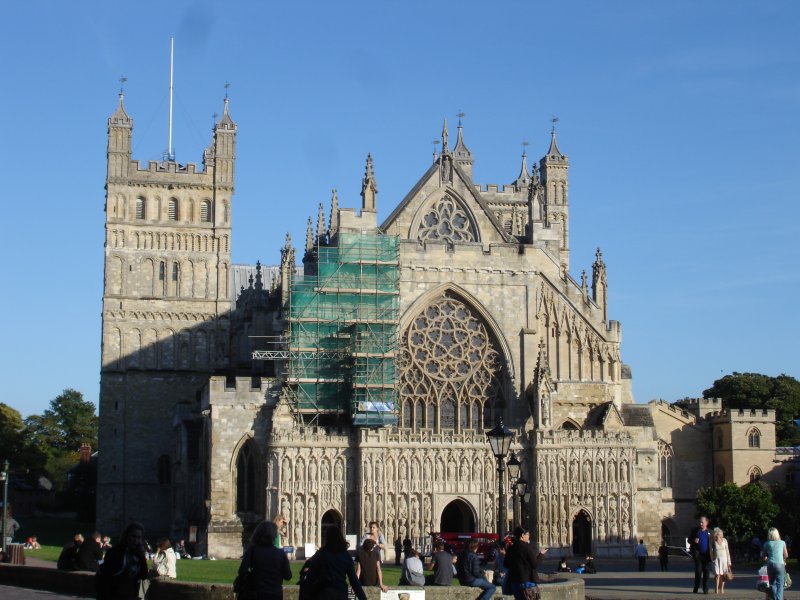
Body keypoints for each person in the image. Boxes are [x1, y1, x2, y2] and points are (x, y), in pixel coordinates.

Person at [236, 521, 291, 600]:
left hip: (256, 594)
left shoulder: (252, 550)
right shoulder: (280, 553)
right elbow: (288, 576)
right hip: (275, 594)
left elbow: (242, 571)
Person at [311, 526, 367, 600]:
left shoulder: (321, 553)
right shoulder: (346, 555)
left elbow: (311, 575)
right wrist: (363, 597)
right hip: (340, 592)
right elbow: (354, 580)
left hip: (325, 592)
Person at [95, 523, 149, 600]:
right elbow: (107, 574)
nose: (136, 540)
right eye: (133, 536)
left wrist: (141, 555)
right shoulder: (115, 552)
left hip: (129, 594)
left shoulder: (138, 555)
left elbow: (143, 575)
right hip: (112, 594)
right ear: (127, 536)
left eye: (139, 537)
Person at [504, 527, 548, 600]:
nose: (529, 536)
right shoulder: (527, 548)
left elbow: (506, 564)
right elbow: (535, 564)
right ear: (522, 535)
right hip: (527, 583)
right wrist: (541, 554)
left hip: (515, 583)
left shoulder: (511, 548)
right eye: (527, 534)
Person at [762, 527, 788, 600]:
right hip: (780, 564)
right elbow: (786, 555)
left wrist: (766, 557)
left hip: (770, 564)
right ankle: (779, 598)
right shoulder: (782, 542)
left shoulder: (767, 543)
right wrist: (784, 560)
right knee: (780, 584)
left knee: (772, 584)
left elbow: (763, 555)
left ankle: (775, 598)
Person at [691, 516, 712, 594]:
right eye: (700, 522)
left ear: (706, 523)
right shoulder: (696, 531)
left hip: (707, 555)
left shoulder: (710, 532)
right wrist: (694, 541)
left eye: (702, 522)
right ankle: (696, 587)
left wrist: (714, 556)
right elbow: (690, 540)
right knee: (698, 572)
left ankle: (705, 589)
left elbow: (713, 544)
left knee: (706, 572)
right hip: (698, 555)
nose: (701, 524)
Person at [710, 527, 731, 595]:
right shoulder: (713, 541)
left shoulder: (724, 540)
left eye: (718, 534)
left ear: (720, 534)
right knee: (717, 574)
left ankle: (722, 589)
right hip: (716, 559)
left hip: (724, 559)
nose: (717, 535)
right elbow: (711, 550)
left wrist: (729, 562)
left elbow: (727, 551)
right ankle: (716, 589)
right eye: (716, 534)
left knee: (724, 575)